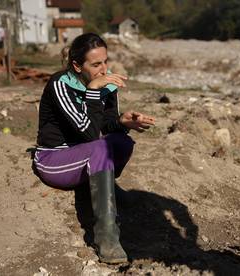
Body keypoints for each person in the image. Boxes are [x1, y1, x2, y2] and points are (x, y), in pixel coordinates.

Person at [32, 33, 155, 264]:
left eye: (105, 62)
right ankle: (107, 238)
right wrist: (94, 90)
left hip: (84, 153)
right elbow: (89, 133)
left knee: (122, 142)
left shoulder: (106, 86)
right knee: (100, 147)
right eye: (96, 64)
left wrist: (122, 122)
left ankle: (104, 188)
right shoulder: (60, 84)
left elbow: (105, 126)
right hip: (54, 158)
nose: (103, 69)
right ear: (77, 66)